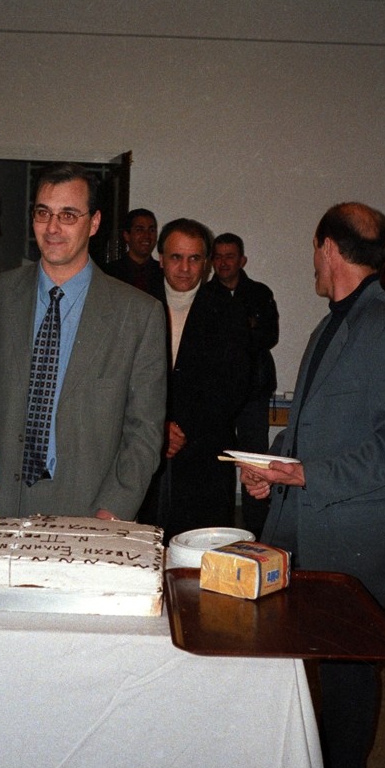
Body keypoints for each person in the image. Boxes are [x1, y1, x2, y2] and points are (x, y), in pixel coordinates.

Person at [240, 202, 385, 768]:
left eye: (314, 251)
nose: (313, 262)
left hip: (358, 533)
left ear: (327, 247)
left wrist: (306, 474)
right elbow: (309, 426)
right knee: (315, 662)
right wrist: (274, 467)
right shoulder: (333, 324)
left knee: (348, 673)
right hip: (312, 519)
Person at [0, 163, 167, 519]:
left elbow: (144, 430)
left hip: (89, 510)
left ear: (94, 223)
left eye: (68, 215)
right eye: (43, 213)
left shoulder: (138, 314)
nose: (52, 227)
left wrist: (115, 507)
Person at [139, 220, 252, 537]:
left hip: (203, 450)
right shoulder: (135, 304)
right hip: (143, 445)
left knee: (198, 547)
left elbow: (234, 386)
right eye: (176, 257)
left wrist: (181, 428)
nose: (185, 268)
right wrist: (159, 427)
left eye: (194, 259)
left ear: (207, 263)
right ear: (161, 259)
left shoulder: (229, 310)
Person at [211, 232, 279, 533]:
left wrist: (233, 334)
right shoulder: (205, 294)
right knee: (218, 463)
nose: (224, 262)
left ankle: (256, 531)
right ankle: (218, 529)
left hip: (254, 392)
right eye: (218, 256)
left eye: (230, 256)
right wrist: (244, 328)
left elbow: (269, 336)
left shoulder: (259, 293)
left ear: (242, 260)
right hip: (217, 395)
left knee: (255, 462)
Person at [102, 207, 164, 300]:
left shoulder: (164, 274)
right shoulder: (109, 274)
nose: (147, 236)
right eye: (140, 230)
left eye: (151, 230)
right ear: (127, 236)